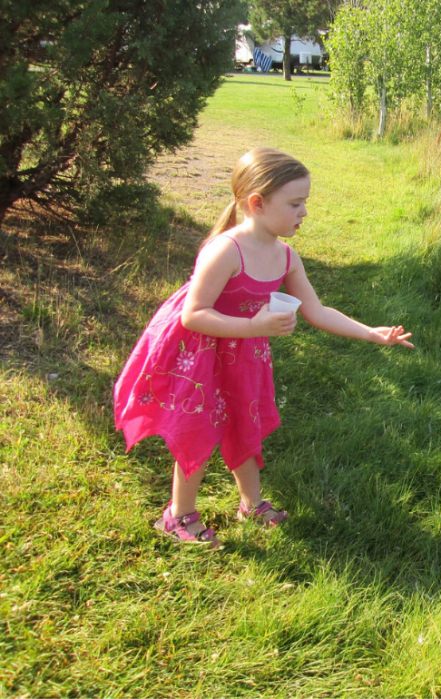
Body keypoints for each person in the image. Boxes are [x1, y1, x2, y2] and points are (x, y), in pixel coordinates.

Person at [113, 147, 413, 548]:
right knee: (198, 430)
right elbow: (193, 315)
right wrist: (254, 325)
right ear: (257, 203)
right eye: (295, 203)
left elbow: (318, 311)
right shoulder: (225, 250)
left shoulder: (286, 257)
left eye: (304, 202)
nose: (303, 212)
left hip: (244, 356)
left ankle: (250, 503)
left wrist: (371, 333)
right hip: (201, 354)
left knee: (244, 421)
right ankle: (178, 515)